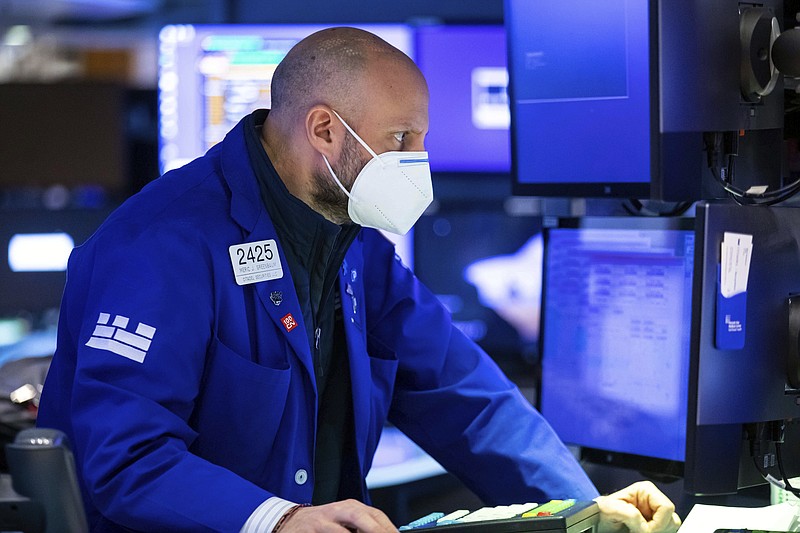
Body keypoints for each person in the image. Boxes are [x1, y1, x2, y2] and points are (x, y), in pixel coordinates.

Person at [37, 27, 682, 533]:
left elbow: (464, 392)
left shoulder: (350, 244)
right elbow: (126, 459)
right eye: (400, 137)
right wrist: (277, 520)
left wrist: (586, 507)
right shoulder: (161, 244)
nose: (417, 162)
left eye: (422, 140)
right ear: (323, 129)